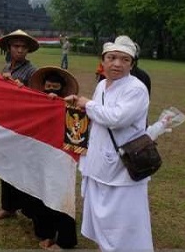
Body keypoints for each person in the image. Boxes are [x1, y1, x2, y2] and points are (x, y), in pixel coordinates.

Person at [65, 36, 154, 251]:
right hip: (98, 162)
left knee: (123, 225)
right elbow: (95, 115)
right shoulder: (103, 85)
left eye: (124, 60)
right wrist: (77, 103)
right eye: (112, 58)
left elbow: (116, 119)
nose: (117, 64)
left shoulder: (136, 88)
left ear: (131, 64)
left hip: (122, 167)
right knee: (102, 221)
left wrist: (88, 104)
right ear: (103, 61)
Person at [25, 66, 80, 249]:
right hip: (39, 155)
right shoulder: (35, 103)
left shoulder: (72, 107)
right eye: (47, 86)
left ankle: (65, 239)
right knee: (40, 193)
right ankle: (45, 233)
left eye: (55, 87)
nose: (50, 90)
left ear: (62, 88)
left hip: (61, 158)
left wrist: (61, 104)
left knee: (61, 196)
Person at [0, 29, 40, 221]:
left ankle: (29, 209)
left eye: (23, 47)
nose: (19, 50)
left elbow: (37, 99)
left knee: (22, 168)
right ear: (9, 48)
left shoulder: (32, 71)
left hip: (23, 126)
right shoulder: (6, 67)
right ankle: (8, 207)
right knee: (6, 166)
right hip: (6, 123)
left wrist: (22, 89)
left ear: (28, 50)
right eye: (16, 46)